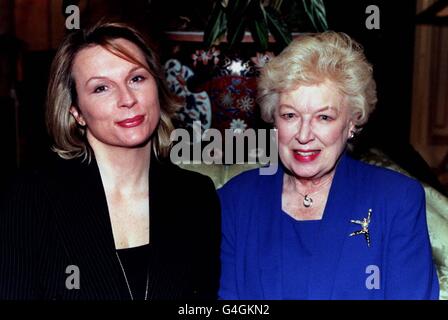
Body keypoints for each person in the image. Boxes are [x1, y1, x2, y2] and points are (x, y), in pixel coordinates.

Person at [0, 22, 220, 300]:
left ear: (157, 88)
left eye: (137, 79)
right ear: (77, 112)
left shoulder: (196, 195)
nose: (127, 99)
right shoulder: (31, 196)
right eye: (101, 88)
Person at [218, 31, 439, 299]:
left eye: (324, 117)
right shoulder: (235, 200)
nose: (304, 134)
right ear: (273, 120)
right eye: (290, 115)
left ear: (352, 124)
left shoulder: (396, 200)